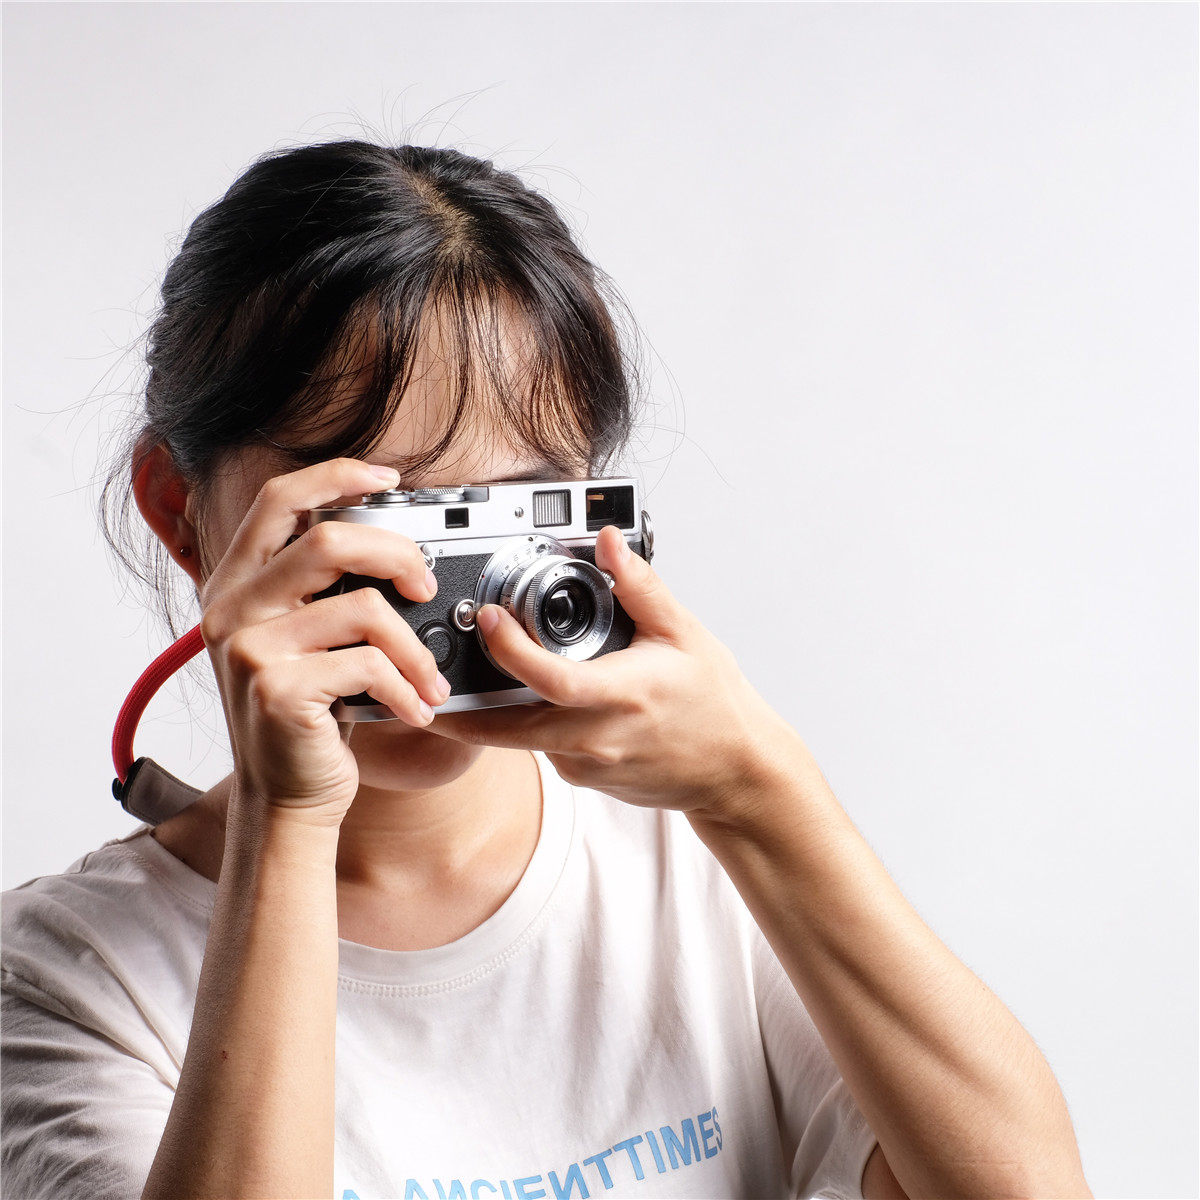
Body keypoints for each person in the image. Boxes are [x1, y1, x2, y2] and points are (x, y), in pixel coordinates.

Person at [1, 139, 1091, 1200]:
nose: (443, 597)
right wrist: (287, 822)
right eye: (378, 511)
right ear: (180, 511)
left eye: (517, 508)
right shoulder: (64, 978)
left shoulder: (711, 868)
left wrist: (762, 788)